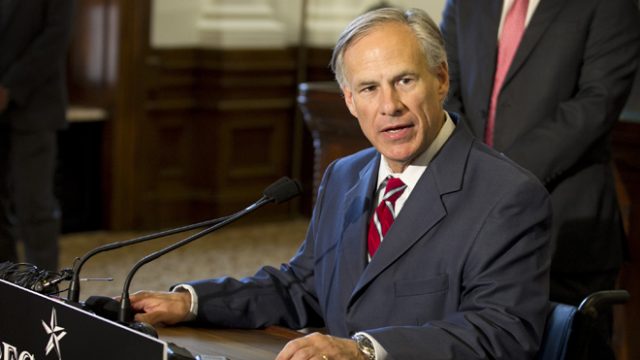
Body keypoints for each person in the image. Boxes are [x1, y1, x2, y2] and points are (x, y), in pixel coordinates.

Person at [130, 8, 552, 359]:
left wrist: (366, 351)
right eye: (369, 88)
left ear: (441, 80)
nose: (390, 106)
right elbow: (303, 285)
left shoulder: (506, 195)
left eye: (405, 80)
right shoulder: (345, 175)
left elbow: (503, 333)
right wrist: (193, 302)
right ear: (350, 101)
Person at [441, 0, 640, 308]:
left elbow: (596, 104)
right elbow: (442, 87)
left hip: (564, 228)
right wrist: (471, 169)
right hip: (466, 223)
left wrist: (497, 176)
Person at [0, 0, 75, 271]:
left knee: (35, 207)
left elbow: (57, 36)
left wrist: (9, 88)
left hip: (34, 106)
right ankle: (7, 286)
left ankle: (43, 292)